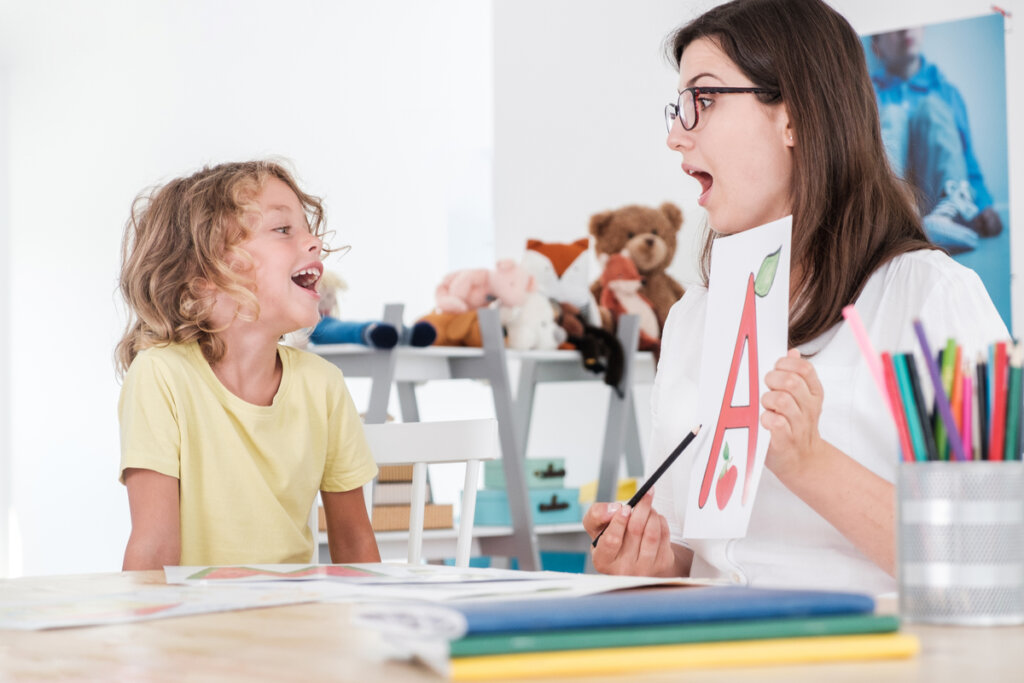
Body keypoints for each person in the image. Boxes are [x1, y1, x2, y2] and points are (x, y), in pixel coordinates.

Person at [582, 0, 1007, 595]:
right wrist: (656, 561)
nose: (676, 135)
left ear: (796, 117)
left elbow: (992, 555)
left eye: (702, 101)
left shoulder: (930, 297)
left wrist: (810, 463)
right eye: (678, 107)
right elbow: (700, 552)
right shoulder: (693, 317)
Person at [116, 160, 381, 569]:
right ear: (203, 274)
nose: (313, 242)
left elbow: (356, 543)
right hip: (196, 629)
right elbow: (154, 547)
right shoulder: (162, 376)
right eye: (282, 229)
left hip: (296, 621)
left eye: (308, 229)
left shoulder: (323, 384)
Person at [871, 27, 1003, 253]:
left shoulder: (945, 92)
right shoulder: (870, 93)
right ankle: (895, 219)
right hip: (893, 201)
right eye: (894, 27)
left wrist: (984, 204)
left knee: (933, 108)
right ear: (876, 48)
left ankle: (948, 213)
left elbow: (965, 155)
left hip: (937, 200)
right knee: (890, 115)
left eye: (911, 23)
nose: (904, 30)